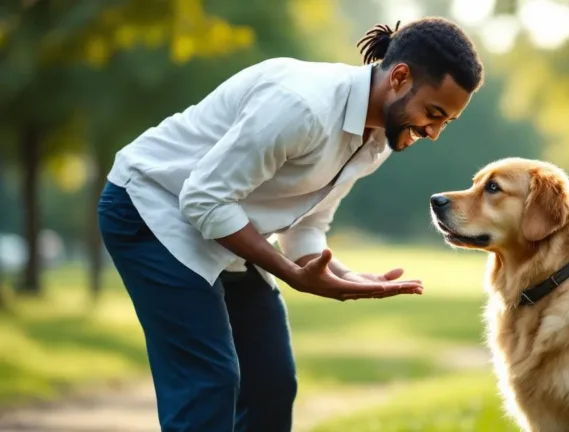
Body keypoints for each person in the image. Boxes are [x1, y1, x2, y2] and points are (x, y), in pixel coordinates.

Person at [97, 16, 484, 432]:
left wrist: (342, 275)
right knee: (208, 382)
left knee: (272, 384)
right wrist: (291, 274)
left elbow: (305, 224)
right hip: (151, 208)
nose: (435, 132)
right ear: (400, 77)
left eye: (447, 121)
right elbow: (203, 198)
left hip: (223, 224)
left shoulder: (376, 141)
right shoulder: (303, 107)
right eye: (434, 113)